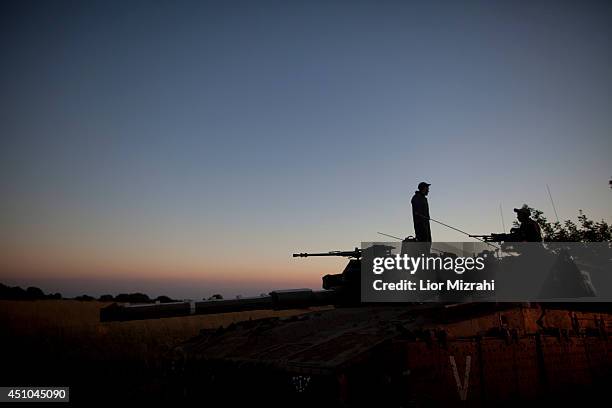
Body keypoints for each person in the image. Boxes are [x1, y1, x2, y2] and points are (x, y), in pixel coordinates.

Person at [411, 182, 432, 254]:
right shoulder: (416, 198)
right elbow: (418, 213)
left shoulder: (424, 199)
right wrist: (422, 218)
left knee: (428, 241)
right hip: (420, 225)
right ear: (423, 189)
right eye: (427, 188)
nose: (428, 190)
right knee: (423, 242)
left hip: (426, 224)